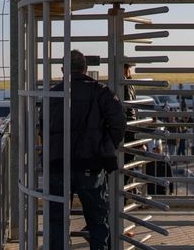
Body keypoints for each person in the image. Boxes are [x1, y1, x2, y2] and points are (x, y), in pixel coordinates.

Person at [47, 50, 126, 250]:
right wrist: (105, 146)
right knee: (98, 220)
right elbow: (119, 123)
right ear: (85, 68)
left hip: (58, 165)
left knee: (57, 221)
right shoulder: (101, 92)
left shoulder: (53, 94)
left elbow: (43, 126)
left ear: (64, 69)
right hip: (91, 165)